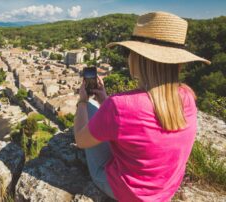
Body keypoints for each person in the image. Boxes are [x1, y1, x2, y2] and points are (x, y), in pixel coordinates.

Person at [74, 11, 210, 201]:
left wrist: (81, 102)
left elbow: (80, 141)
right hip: (167, 189)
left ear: (138, 58)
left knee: (89, 108)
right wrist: (105, 101)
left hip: (129, 193)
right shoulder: (188, 95)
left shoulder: (120, 105)